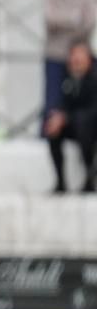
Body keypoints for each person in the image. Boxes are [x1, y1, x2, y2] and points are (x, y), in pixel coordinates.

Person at [44, 0, 95, 132]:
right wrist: (74, 18)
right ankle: (48, 137)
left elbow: (89, 21)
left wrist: (64, 24)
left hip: (81, 58)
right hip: (56, 56)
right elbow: (50, 19)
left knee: (86, 102)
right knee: (53, 103)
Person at [46, 41, 96, 194]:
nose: (76, 61)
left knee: (84, 124)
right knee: (53, 129)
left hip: (90, 126)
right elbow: (61, 104)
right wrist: (57, 117)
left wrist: (66, 118)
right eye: (73, 57)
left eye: (80, 57)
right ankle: (60, 181)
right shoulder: (68, 79)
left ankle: (89, 180)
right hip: (76, 124)